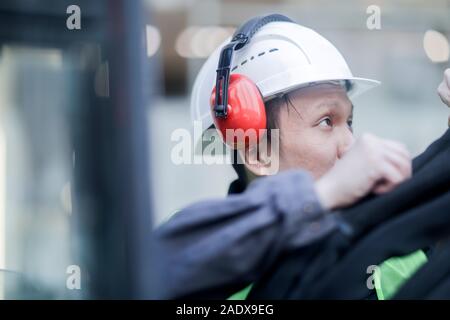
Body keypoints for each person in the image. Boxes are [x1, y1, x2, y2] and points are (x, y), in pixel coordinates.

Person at [153, 14, 450, 299]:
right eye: (326, 121)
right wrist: (323, 194)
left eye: (348, 122)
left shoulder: (399, 249)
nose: (353, 146)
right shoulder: (203, 255)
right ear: (258, 151)